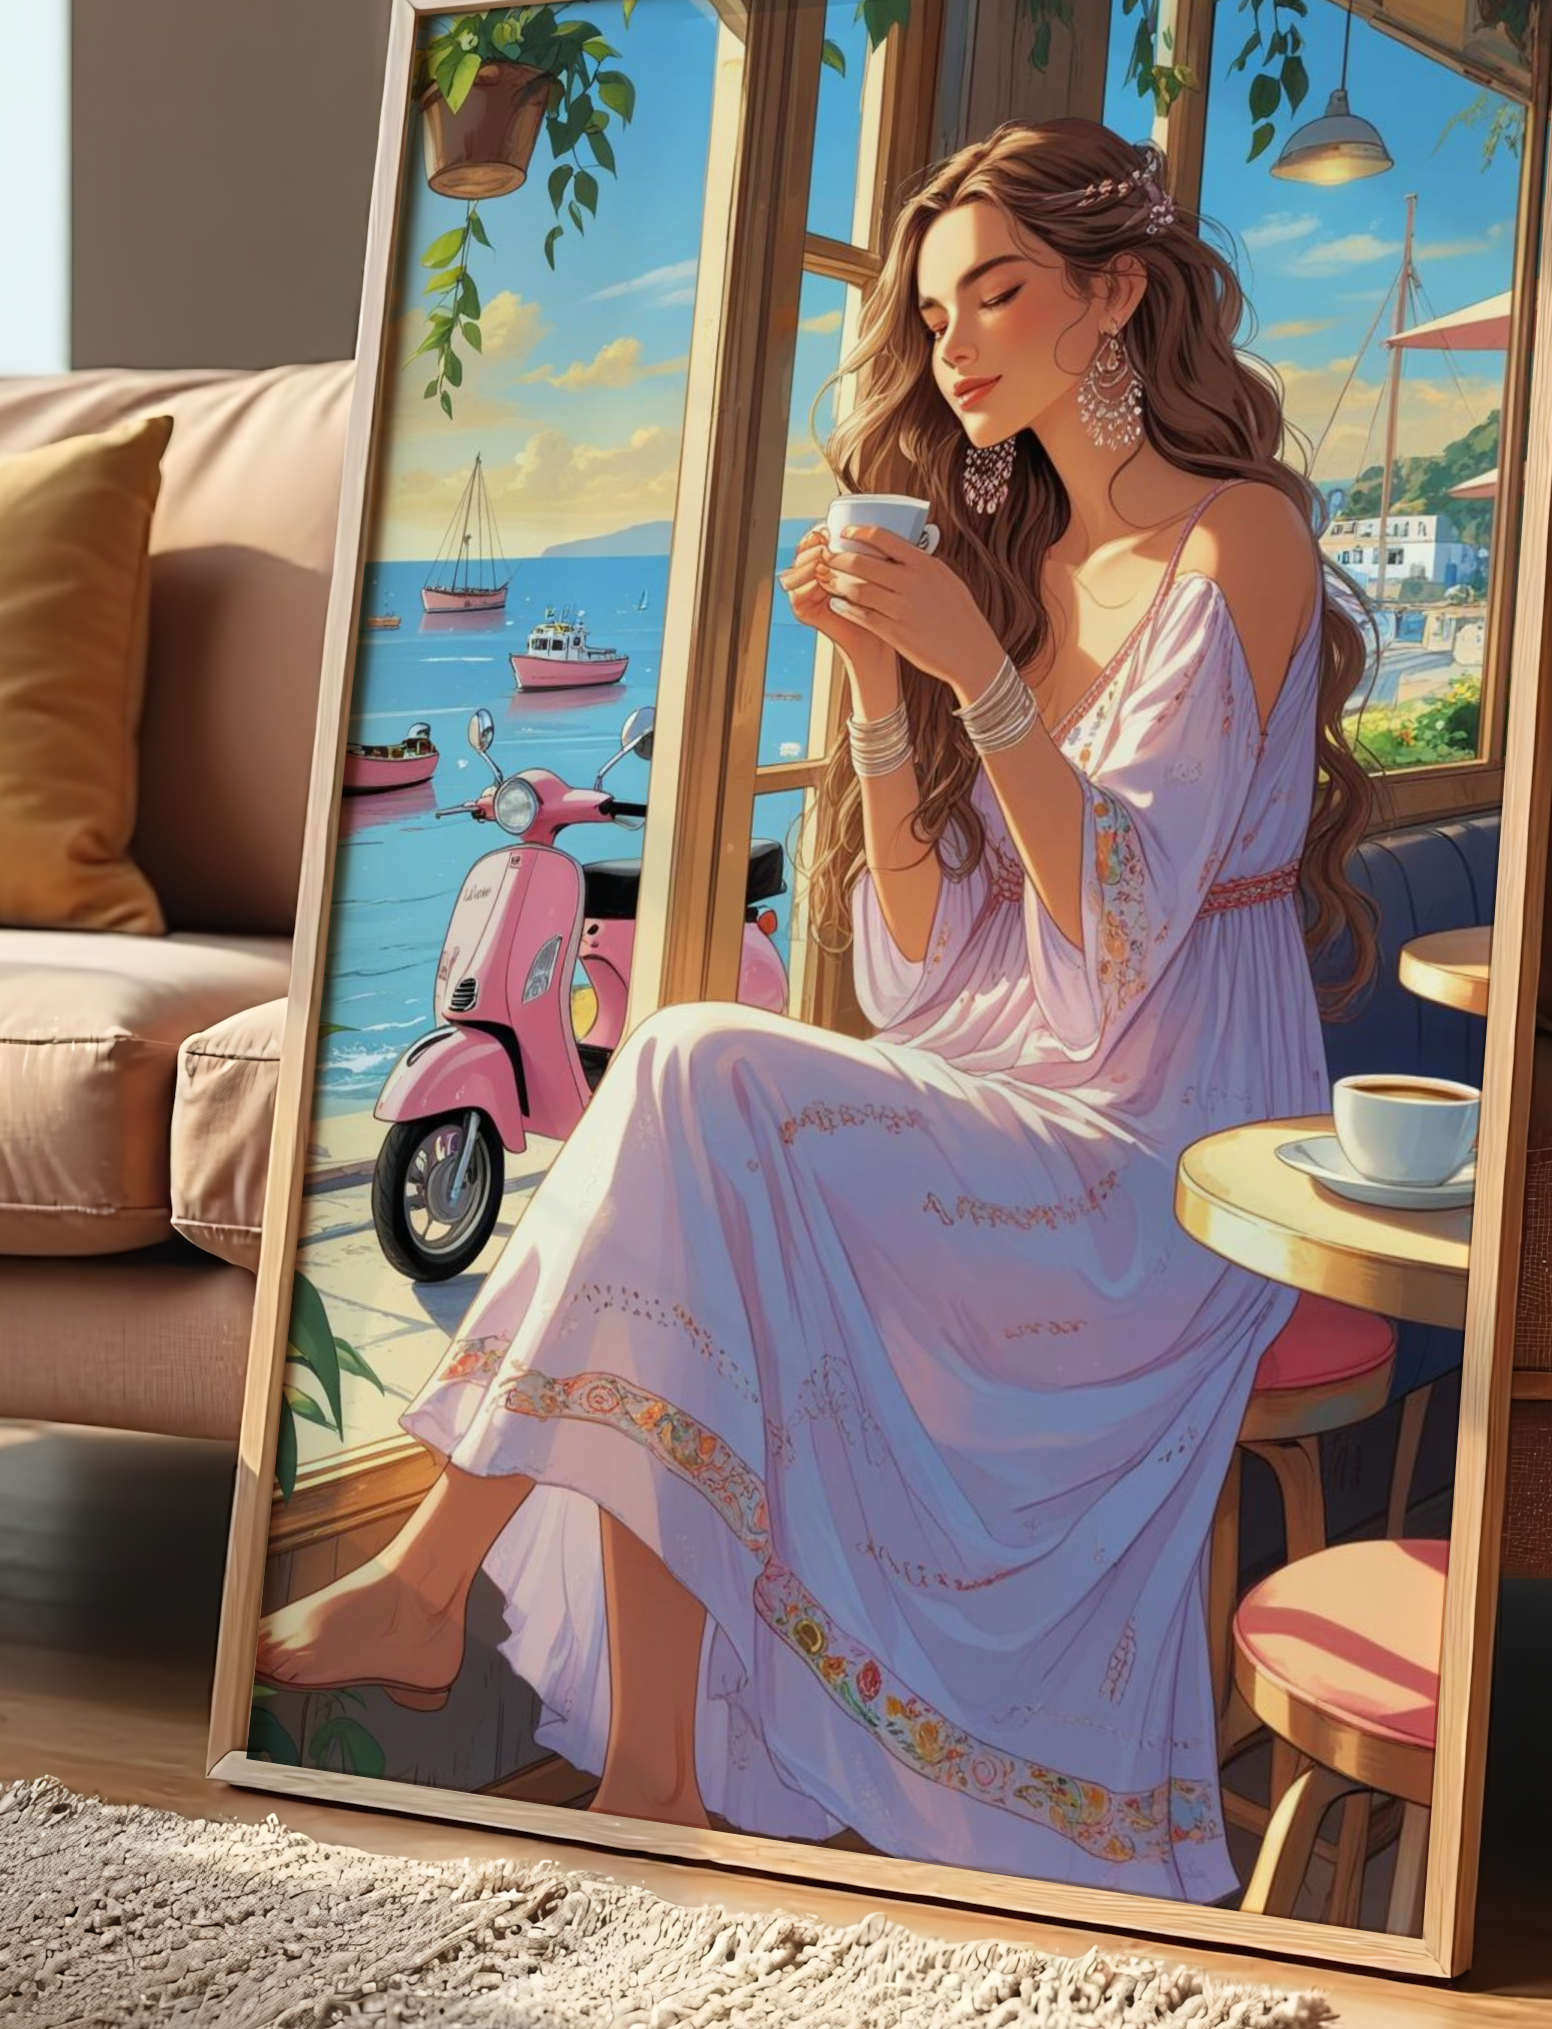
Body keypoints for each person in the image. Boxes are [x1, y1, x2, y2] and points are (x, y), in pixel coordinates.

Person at [260, 119, 1376, 1899]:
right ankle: (642, 1773)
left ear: (1117, 295)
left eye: (995, 292)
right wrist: (871, 679)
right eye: (931, 314)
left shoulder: (1238, 541)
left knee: (693, 1072)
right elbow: (928, 970)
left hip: (1171, 1141)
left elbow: (1125, 929)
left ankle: (439, 1592)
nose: (956, 342)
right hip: (1018, 1078)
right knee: (700, 1154)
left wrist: (973, 669)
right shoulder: (1026, 571)